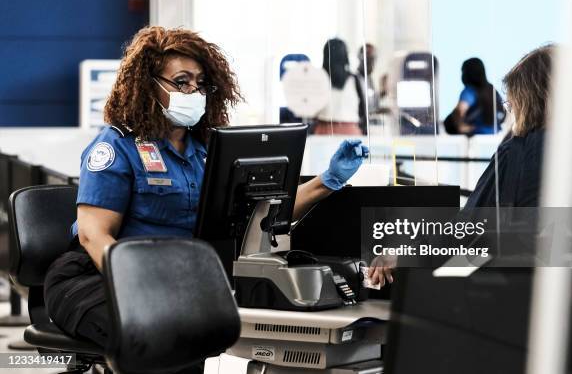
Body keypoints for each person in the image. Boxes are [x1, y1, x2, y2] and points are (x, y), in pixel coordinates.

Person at [43, 26, 369, 352]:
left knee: (209, 332)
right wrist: (139, 288)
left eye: (200, 83)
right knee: (159, 333)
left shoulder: (208, 151)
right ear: (148, 86)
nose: (194, 91)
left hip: (179, 280)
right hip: (95, 279)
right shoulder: (117, 146)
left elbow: (261, 217)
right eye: (182, 81)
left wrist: (328, 180)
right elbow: (92, 236)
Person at [369, 44, 572, 284]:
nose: (512, 112)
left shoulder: (520, 153)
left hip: (528, 300)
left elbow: (469, 234)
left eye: (512, 103)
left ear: (530, 102)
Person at [314, 38, 364, 135]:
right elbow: (362, 110)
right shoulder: (355, 80)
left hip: (324, 131)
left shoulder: (318, 79)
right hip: (350, 131)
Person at [444, 57, 505, 136]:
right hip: (495, 133)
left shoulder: (470, 91)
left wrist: (461, 126)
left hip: (478, 134)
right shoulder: (492, 89)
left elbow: (460, 109)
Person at [356, 43, 379, 134]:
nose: (371, 62)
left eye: (373, 58)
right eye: (368, 58)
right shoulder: (354, 80)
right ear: (360, 58)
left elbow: (373, 104)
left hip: (371, 127)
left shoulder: (371, 80)